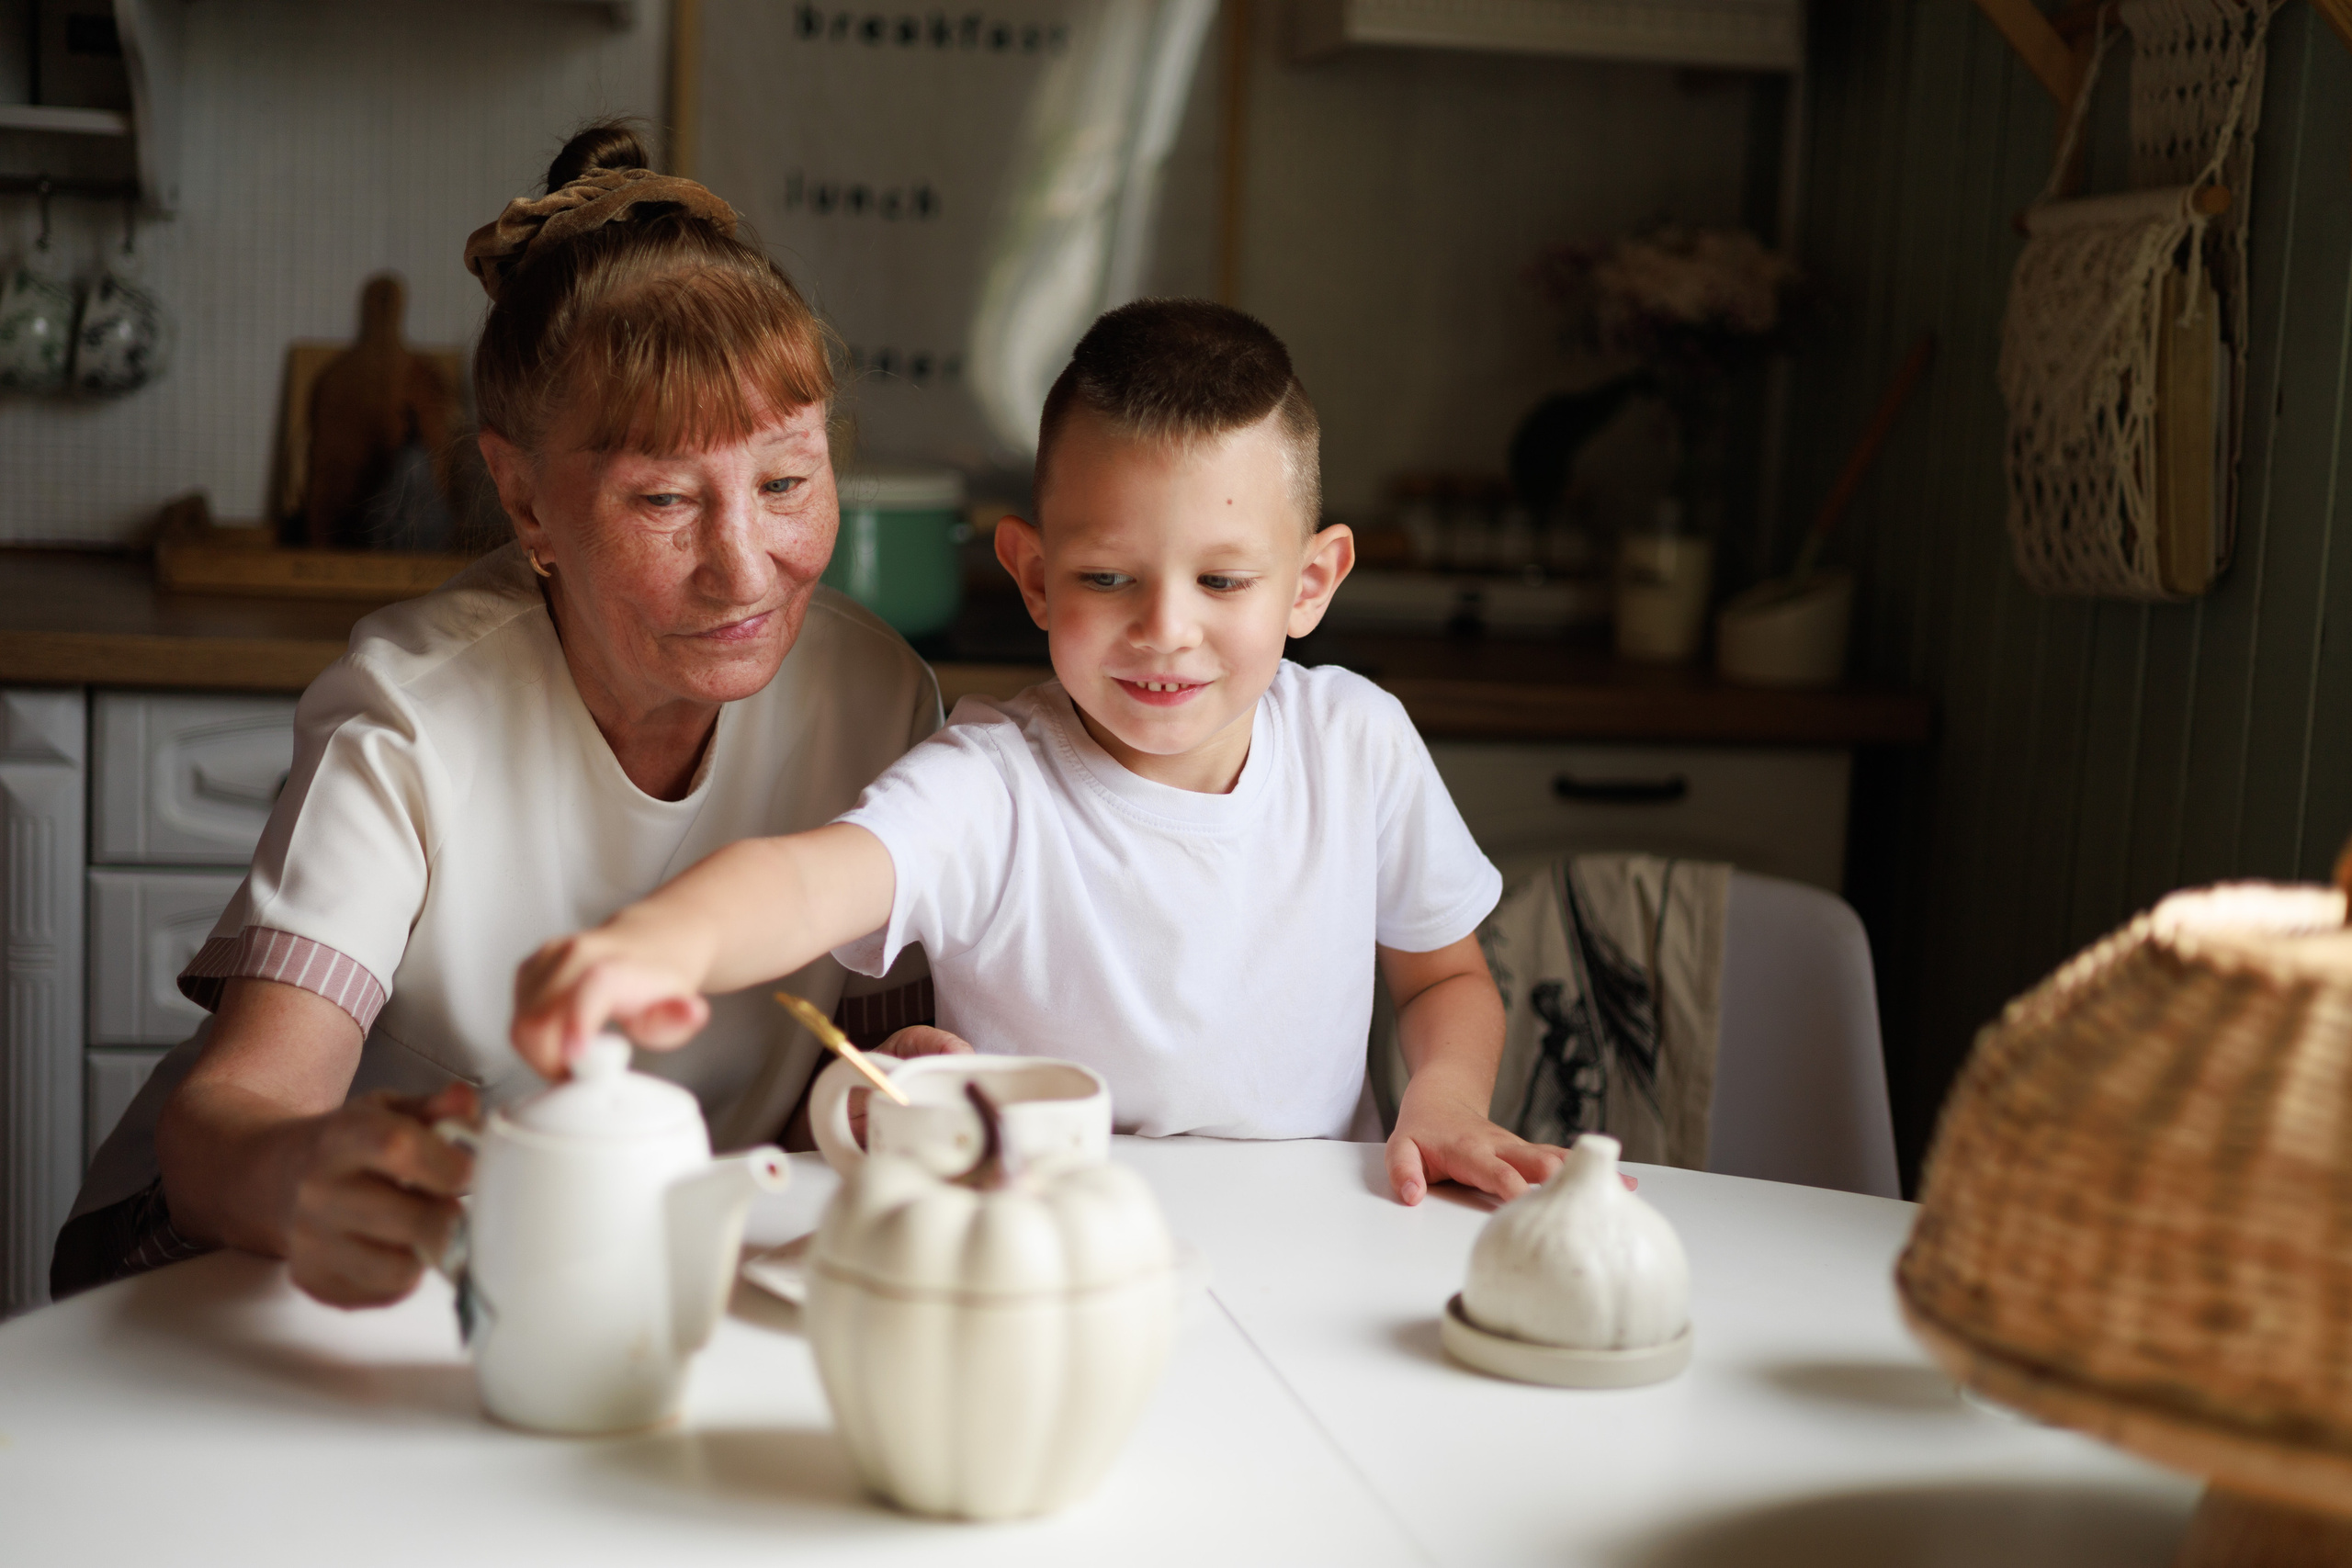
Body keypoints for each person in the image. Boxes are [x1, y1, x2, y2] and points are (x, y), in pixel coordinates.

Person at [51, 120, 945, 1307]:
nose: (746, 567)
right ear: (526, 501)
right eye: (666, 499)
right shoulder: (413, 711)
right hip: (296, 1260)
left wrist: (912, 1088)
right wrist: (309, 1174)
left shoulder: (879, 696)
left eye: (785, 481)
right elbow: (234, 1116)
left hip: (610, 1256)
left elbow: (864, 1073)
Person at [513, 300, 1566, 1205]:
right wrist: (657, 946)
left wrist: (1443, 1103)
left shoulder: (1358, 743)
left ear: (1310, 583)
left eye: (1222, 581)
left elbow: (1444, 980)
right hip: (1045, 1258)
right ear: (1031, 574)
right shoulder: (992, 781)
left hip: (1310, 1256)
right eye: (1108, 578)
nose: (1165, 629)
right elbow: (801, 882)